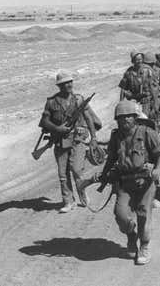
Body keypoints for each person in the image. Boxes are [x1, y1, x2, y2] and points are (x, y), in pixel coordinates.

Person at [99, 100, 160, 265]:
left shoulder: (146, 133)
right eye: (121, 118)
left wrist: (157, 170)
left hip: (145, 181)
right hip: (124, 182)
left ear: (134, 117)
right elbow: (112, 158)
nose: (124, 120)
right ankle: (131, 236)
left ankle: (144, 245)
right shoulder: (116, 136)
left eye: (128, 117)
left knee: (143, 213)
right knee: (121, 215)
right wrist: (104, 174)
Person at [39, 72, 99, 213]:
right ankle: (68, 202)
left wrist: (94, 138)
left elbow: (89, 119)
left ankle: (83, 196)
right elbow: (44, 121)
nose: (69, 85)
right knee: (62, 174)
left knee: (77, 170)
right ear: (59, 86)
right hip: (60, 141)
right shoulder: (51, 102)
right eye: (66, 83)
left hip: (78, 139)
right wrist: (57, 128)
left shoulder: (78, 100)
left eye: (70, 82)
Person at [119, 52, 158, 119]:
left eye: (140, 59)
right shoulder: (129, 72)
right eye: (137, 60)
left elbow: (153, 88)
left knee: (144, 119)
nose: (139, 61)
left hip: (145, 100)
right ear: (133, 61)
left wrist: (155, 104)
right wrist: (121, 104)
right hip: (133, 100)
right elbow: (123, 89)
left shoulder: (148, 70)